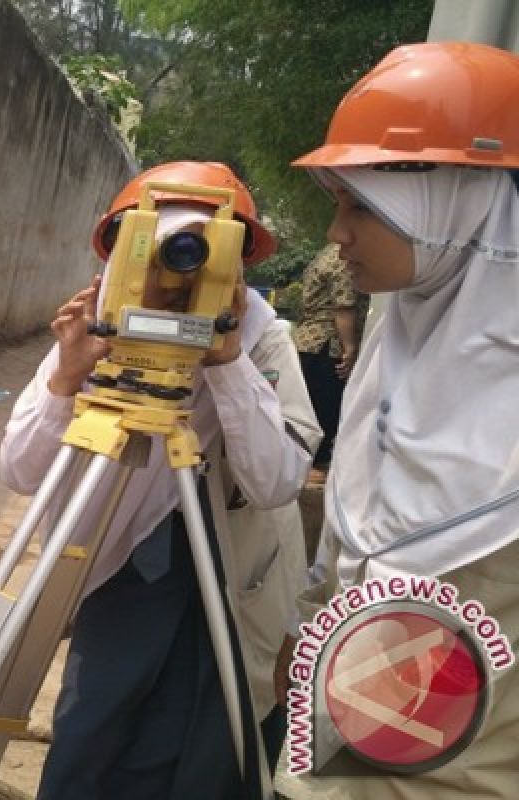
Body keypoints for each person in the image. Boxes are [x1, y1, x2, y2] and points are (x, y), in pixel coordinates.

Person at [0, 161, 320, 799]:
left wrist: (226, 365)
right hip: (116, 570)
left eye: (202, 253)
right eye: (166, 250)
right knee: (93, 731)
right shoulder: (97, 323)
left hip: (224, 575)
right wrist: (67, 381)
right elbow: (18, 470)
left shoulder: (258, 339)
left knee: (203, 743)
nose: (179, 272)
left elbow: (277, 481)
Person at [273, 41, 519, 799]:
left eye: (361, 207)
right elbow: (355, 544)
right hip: (326, 768)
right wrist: (310, 627)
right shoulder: (395, 344)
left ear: (455, 201)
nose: (336, 236)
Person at [292, 242, 368, 482]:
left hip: (307, 341)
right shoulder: (344, 258)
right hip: (325, 344)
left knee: (307, 405)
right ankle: (311, 466)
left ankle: (304, 463)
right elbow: (343, 308)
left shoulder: (326, 253)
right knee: (324, 407)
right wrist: (350, 348)